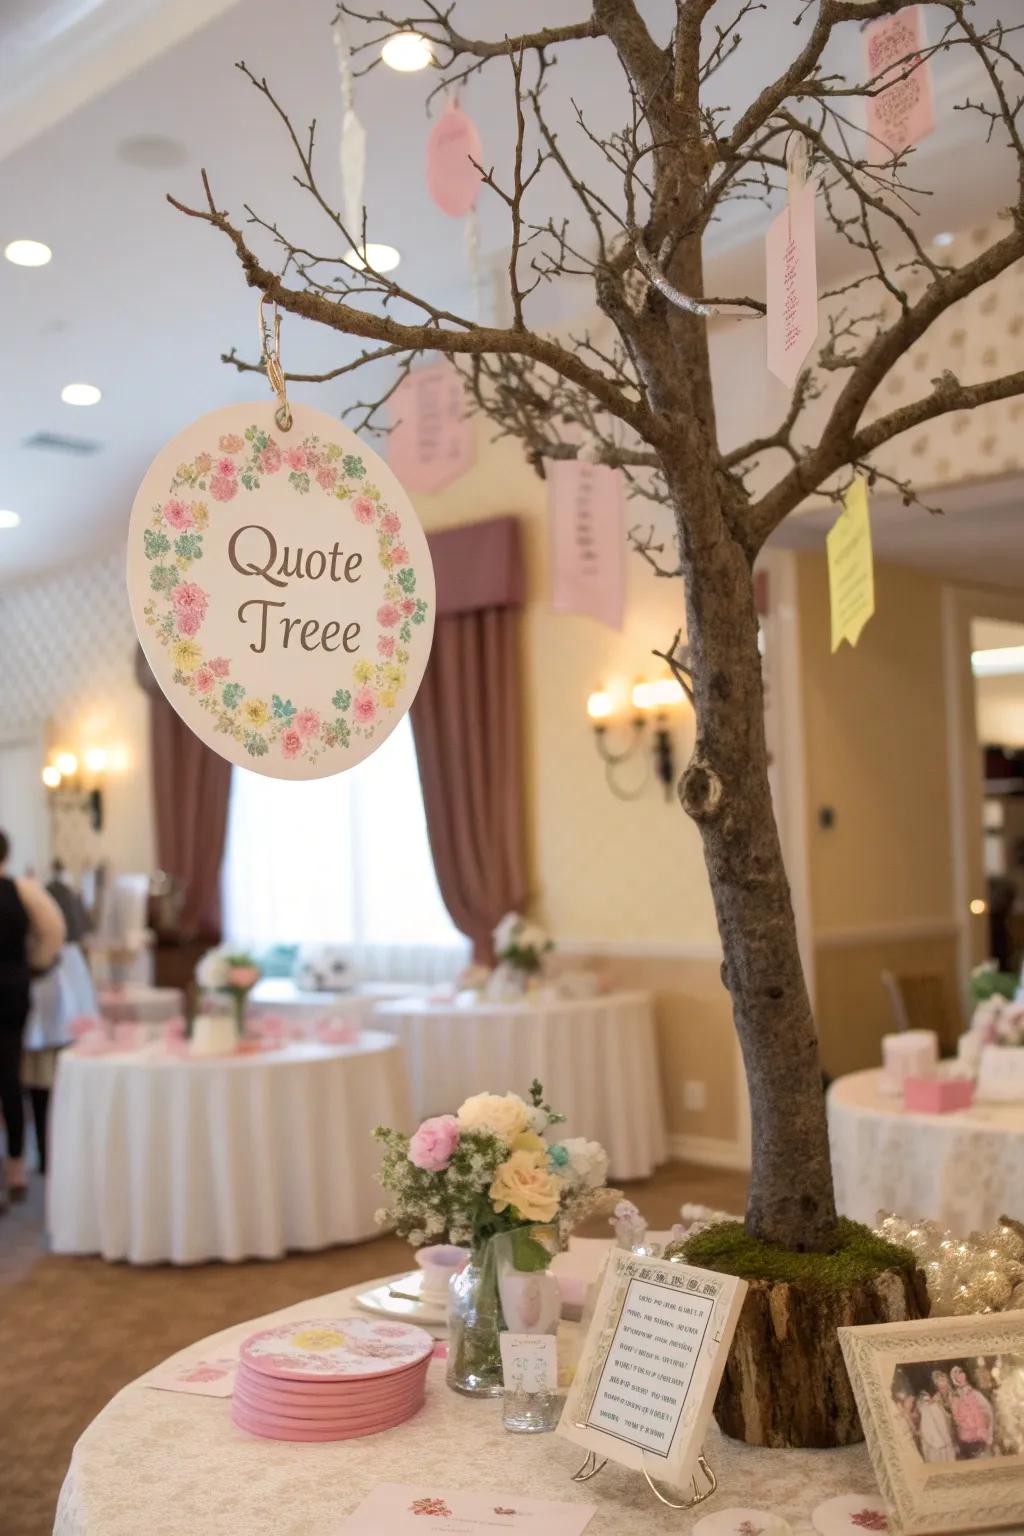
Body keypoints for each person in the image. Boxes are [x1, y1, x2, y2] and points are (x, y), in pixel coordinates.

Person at [0, 831, 65, 1206]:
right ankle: (15, 1166)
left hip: (8, 993)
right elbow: (53, 931)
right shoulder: (22, 890)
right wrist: (36, 963)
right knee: (9, 1076)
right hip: (11, 990)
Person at [950, 1363, 996, 1458]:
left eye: (961, 1372)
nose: (960, 1375)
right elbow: (957, 1418)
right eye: (957, 1374)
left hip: (982, 1436)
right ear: (954, 1379)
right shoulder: (955, 1398)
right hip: (968, 1440)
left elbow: (988, 1412)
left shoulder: (975, 1393)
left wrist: (989, 1434)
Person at [917, 1388, 957, 1463]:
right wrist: (937, 1441)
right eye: (925, 1399)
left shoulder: (937, 1406)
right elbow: (927, 1427)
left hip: (944, 1440)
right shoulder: (925, 1408)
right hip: (935, 1443)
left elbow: (946, 1420)